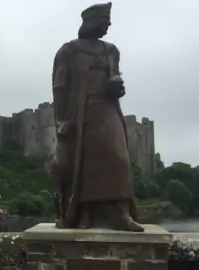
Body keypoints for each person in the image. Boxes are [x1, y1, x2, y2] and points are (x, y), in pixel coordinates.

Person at [50, 2, 143, 232]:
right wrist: (62, 121)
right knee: (87, 164)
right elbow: (59, 87)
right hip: (81, 115)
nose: (108, 25)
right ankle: (86, 214)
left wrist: (117, 87)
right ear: (91, 22)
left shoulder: (111, 51)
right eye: (104, 21)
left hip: (108, 111)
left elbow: (116, 78)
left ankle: (121, 213)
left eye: (109, 21)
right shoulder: (68, 51)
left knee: (118, 159)